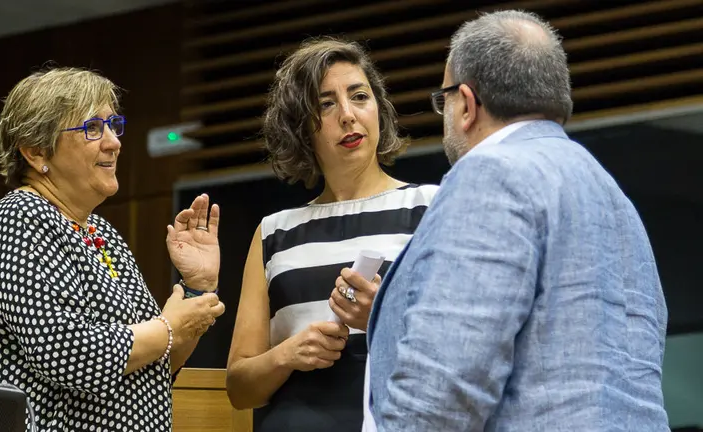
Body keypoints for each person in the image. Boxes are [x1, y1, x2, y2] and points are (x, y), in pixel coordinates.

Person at [352, 10, 670, 431]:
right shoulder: (614, 198)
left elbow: (443, 383)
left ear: (467, 104)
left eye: (444, 99)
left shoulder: (490, 173)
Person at [0, 67, 225, 432]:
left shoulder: (101, 233)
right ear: (36, 151)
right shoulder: (16, 220)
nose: (114, 142)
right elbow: (67, 354)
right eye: (93, 128)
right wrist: (169, 326)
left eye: (113, 125)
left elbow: (156, 363)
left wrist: (196, 287)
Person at [225, 38, 438, 431]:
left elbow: (468, 349)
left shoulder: (431, 207)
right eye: (325, 104)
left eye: (359, 96)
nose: (348, 115)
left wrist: (381, 319)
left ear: (379, 109)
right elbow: (239, 388)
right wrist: (287, 354)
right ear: (300, 129)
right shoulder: (273, 232)